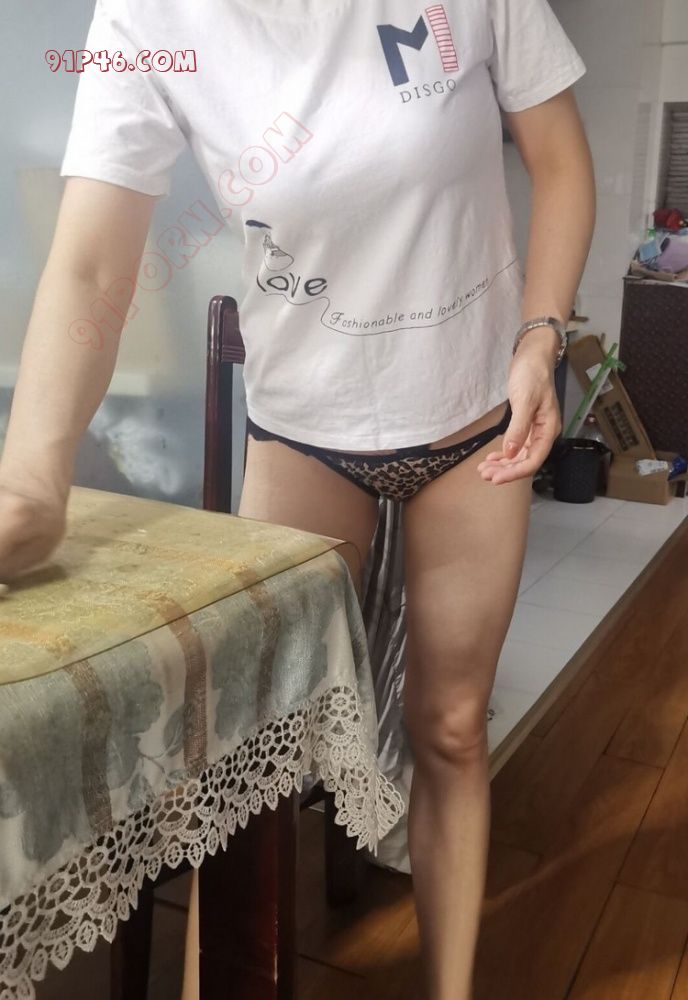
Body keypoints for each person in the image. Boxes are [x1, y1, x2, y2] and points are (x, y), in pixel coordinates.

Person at [0, 0, 595, 997]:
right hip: (301, 430)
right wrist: (31, 479)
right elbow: (94, 263)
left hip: (471, 417)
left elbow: (561, 157)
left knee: (450, 727)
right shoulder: (147, 16)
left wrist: (542, 332)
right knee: (244, 762)